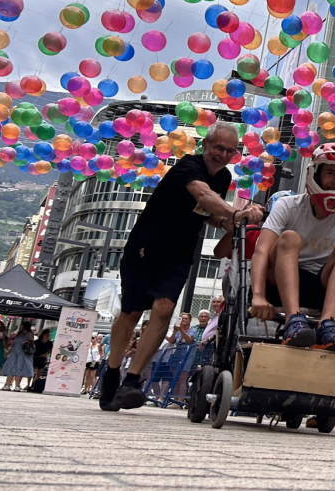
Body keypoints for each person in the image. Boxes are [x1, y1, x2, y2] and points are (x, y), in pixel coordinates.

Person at [100, 121, 264, 412]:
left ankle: (132, 380)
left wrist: (234, 221)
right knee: (131, 313)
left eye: (229, 151)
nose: (223, 155)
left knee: (164, 309)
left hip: (180, 254)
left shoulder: (223, 178)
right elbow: (202, 196)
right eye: (218, 148)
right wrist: (237, 212)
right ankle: (113, 371)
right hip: (146, 247)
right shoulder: (188, 167)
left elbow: (206, 213)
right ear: (205, 146)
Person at [250, 143, 335, 349]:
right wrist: (258, 295)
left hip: (320, 285)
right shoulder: (288, 205)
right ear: (316, 173)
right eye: (330, 173)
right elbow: (261, 250)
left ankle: (327, 327)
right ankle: (293, 322)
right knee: (290, 237)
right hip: (276, 280)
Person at [2, 321, 34, 391]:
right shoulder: (19, 333)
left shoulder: (29, 333)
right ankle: (7, 384)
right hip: (14, 352)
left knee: (19, 368)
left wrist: (25, 342)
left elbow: (32, 342)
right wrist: (9, 351)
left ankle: (17, 385)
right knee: (11, 367)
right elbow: (14, 343)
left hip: (22, 352)